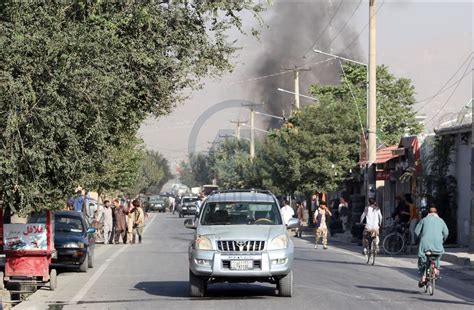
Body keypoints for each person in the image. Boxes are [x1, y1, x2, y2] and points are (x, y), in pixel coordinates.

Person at [414, 206, 449, 287]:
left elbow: (416, 232)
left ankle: (423, 277)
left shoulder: (424, 220)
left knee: (422, 259)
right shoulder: (441, 221)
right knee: (437, 256)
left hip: (425, 245)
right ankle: (436, 269)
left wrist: (419, 239)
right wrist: (442, 240)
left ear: (428, 213)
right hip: (437, 244)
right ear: (437, 213)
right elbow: (446, 233)